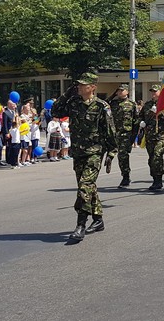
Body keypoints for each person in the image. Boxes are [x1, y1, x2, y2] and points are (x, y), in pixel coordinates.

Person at [50, 72, 118, 242]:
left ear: (93, 87)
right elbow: (55, 111)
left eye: (83, 85)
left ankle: (80, 225)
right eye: (78, 85)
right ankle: (98, 219)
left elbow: (110, 131)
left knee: (85, 186)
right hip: (78, 152)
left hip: (94, 152)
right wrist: (67, 93)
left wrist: (111, 153)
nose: (79, 87)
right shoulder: (73, 103)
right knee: (89, 187)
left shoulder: (102, 106)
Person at [140, 85, 164, 191]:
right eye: (152, 92)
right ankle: (154, 178)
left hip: (161, 136)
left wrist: (160, 111)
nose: (153, 93)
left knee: (157, 157)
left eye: (155, 91)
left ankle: (158, 180)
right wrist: (141, 122)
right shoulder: (147, 104)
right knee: (151, 159)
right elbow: (141, 116)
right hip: (149, 136)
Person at [108, 84, 137, 188]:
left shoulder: (132, 104)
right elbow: (104, 104)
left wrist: (134, 136)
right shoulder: (113, 103)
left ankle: (125, 176)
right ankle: (124, 175)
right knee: (111, 154)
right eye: (118, 91)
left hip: (126, 134)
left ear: (127, 92)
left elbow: (135, 121)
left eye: (122, 90)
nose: (120, 92)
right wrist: (112, 95)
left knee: (123, 156)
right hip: (114, 133)